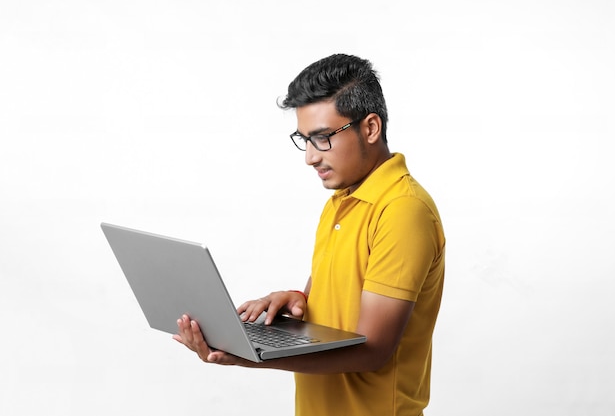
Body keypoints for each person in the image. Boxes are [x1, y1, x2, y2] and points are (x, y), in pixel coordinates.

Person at [173, 53, 446, 416]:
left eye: (322, 138)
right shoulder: (341, 201)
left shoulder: (402, 210)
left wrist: (251, 358)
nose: (310, 158)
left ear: (370, 128)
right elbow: (331, 299)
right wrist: (296, 299)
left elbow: (374, 349)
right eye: (304, 140)